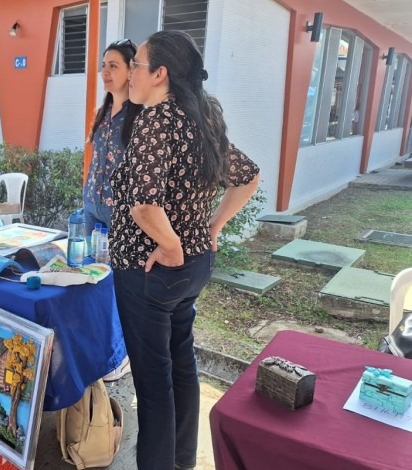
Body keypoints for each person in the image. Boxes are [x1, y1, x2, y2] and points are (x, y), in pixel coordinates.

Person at [110, 31, 260, 470]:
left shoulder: (156, 120)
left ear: (160, 74)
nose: (131, 74)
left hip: (152, 270)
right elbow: (248, 177)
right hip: (193, 268)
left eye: (136, 65)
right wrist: (213, 227)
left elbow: (143, 204)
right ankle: (181, 462)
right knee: (181, 366)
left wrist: (171, 244)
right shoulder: (200, 117)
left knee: (154, 383)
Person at [83, 39, 143, 234]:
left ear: (130, 72)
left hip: (121, 212)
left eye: (113, 66)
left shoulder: (141, 118)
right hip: (91, 205)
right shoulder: (102, 113)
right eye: (104, 65)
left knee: (116, 265)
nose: (105, 72)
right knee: (88, 264)